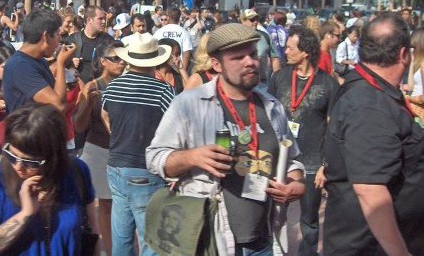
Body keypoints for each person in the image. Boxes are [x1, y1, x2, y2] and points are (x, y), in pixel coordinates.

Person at [146, 23, 305, 255]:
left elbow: (292, 160)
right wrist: (192, 157)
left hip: (264, 241)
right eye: (238, 57)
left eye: (252, 54)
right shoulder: (189, 104)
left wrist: (296, 183)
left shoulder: (272, 107)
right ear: (216, 64)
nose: (250, 62)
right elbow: (155, 158)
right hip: (213, 240)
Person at [324, 13, 424, 254]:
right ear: (403, 55)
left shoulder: (376, 92)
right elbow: (370, 190)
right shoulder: (368, 104)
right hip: (369, 247)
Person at [0, 103, 100, 255]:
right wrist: (25, 214)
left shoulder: (76, 171)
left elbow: (92, 231)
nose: (19, 166)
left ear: (54, 157)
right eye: (11, 155)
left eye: (31, 162)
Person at [102, 33, 175, 255]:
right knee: (151, 242)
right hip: (147, 171)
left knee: (122, 240)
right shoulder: (163, 91)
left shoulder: (112, 87)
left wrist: (117, 135)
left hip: (116, 166)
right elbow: (176, 128)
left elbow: (104, 114)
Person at [268, 26, 338, 256]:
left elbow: (334, 126)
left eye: (290, 47)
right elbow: (266, 114)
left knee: (309, 222)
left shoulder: (327, 83)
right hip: (279, 162)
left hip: (311, 163)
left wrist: (325, 164)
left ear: (306, 51)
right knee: (273, 217)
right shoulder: (279, 77)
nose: (285, 51)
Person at [75, 41, 126, 253]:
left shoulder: (128, 84)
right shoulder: (92, 86)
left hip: (123, 151)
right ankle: (112, 248)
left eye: (124, 58)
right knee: (106, 204)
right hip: (98, 150)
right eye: (116, 58)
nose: (122, 62)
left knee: (123, 205)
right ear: (103, 62)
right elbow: (79, 125)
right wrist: (87, 102)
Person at [3, 8, 75, 114]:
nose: (59, 39)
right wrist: (60, 64)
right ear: (46, 36)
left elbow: (55, 94)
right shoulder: (20, 66)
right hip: (28, 130)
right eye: (57, 34)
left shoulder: (39, 60)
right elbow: (58, 106)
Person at [63, 5, 114, 83]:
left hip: (101, 89)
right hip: (79, 90)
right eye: (100, 19)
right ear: (89, 20)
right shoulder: (72, 40)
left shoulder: (108, 41)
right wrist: (71, 62)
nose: (104, 22)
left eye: (104, 19)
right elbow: (59, 64)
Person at [240, 9, 280, 90]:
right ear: (243, 21)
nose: (255, 22)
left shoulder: (265, 36)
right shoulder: (236, 37)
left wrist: (277, 82)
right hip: (241, 83)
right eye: (252, 20)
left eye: (256, 19)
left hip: (262, 84)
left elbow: (275, 58)